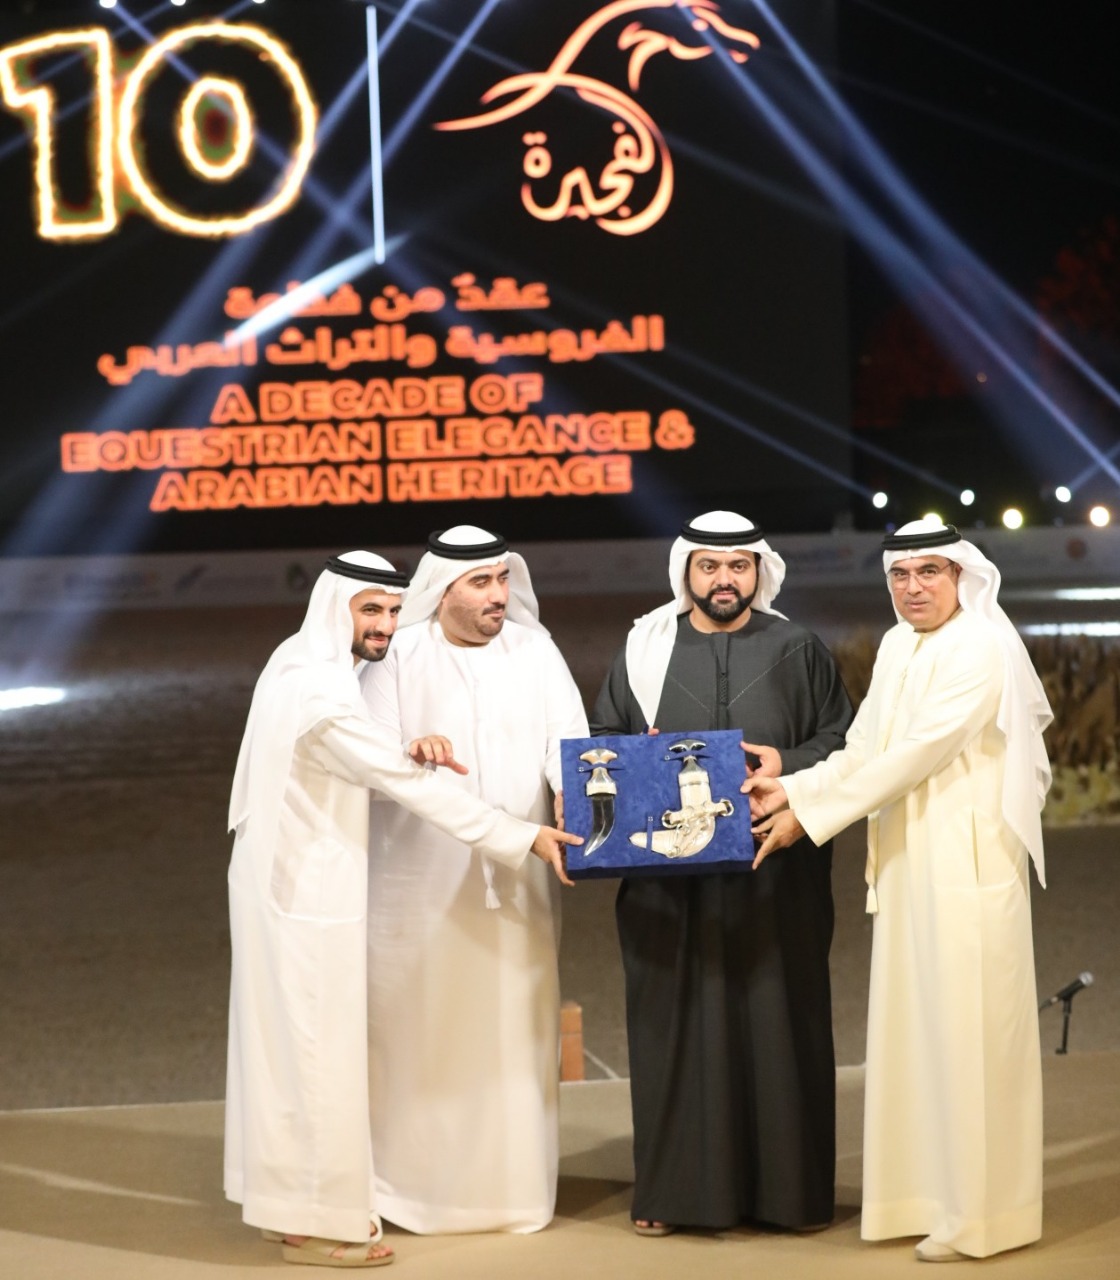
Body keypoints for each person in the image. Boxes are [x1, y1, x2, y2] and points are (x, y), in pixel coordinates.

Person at [224, 550, 578, 1268]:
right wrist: (523, 837)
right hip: (305, 895)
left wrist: (408, 749)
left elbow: (384, 760)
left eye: (391, 609)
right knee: (318, 1061)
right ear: (337, 610)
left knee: (289, 1059)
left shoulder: (305, 663)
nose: (385, 625)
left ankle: (286, 1208)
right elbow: (404, 783)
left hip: (293, 887)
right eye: (370, 611)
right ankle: (323, 1229)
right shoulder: (321, 696)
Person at [746, 517, 1052, 1263]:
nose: (913, 588)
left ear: (961, 576)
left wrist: (808, 817)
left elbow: (916, 755)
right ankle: (921, 1200)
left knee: (972, 1040)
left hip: (969, 866)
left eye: (929, 572)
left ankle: (983, 1218)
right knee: (918, 1035)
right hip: (910, 863)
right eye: (900, 575)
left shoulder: (980, 646)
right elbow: (865, 748)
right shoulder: (895, 645)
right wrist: (792, 786)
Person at [590, 510, 853, 1235]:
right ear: (687, 572)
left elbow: (842, 740)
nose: (724, 579)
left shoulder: (797, 647)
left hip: (776, 873)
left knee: (780, 1020)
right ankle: (675, 1196)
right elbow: (603, 739)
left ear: (759, 571)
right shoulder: (645, 648)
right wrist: (638, 758)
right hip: (669, 882)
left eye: (739, 565)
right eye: (709, 566)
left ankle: (789, 1198)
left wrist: (787, 762)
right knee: (675, 1028)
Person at [360, 525, 589, 1234]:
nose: (498, 595)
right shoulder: (399, 656)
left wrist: (568, 791)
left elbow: (568, 744)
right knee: (420, 1033)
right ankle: (411, 1194)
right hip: (417, 889)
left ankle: (514, 1195)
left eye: (502, 579)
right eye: (480, 582)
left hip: (522, 884)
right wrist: (411, 749)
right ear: (441, 591)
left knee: (514, 1035)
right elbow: (369, 759)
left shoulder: (535, 650)